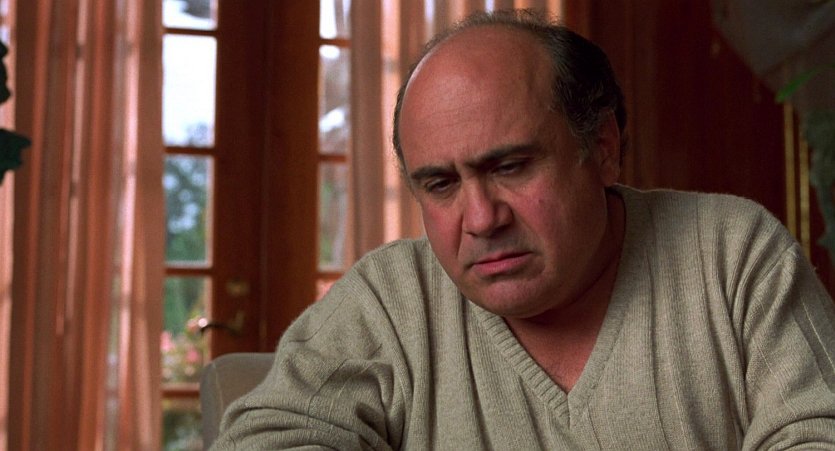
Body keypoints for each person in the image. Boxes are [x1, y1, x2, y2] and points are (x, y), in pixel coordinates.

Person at [213, 9, 835, 449]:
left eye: (510, 167)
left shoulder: (733, 256)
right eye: (441, 184)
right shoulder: (389, 301)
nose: (482, 220)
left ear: (604, 148)